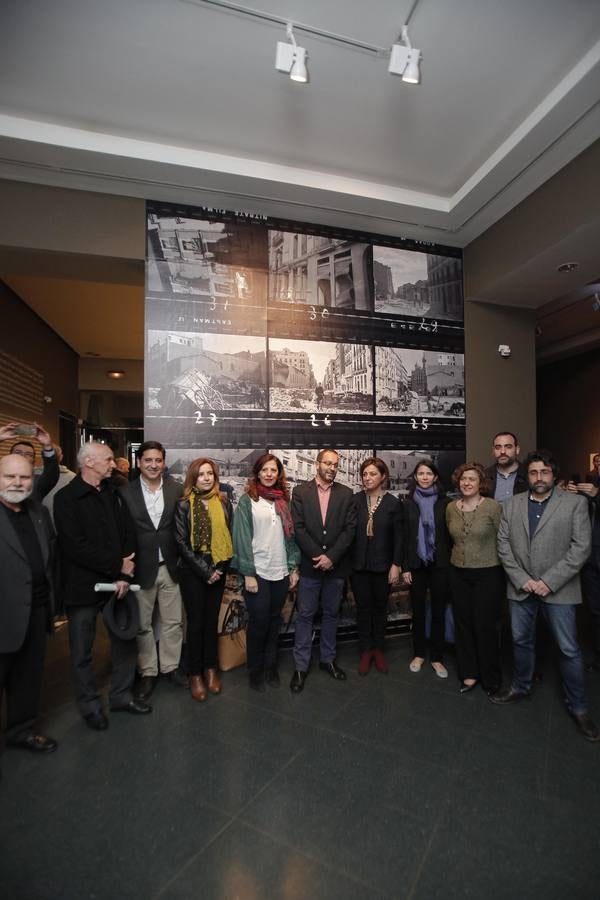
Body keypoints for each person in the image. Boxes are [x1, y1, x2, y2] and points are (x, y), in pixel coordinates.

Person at [492, 452, 599, 741]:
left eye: (545, 472)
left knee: (568, 649)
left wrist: (548, 582)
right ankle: (520, 687)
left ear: (554, 474)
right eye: (534, 472)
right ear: (527, 476)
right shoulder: (512, 504)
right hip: (521, 588)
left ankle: (579, 708)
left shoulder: (575, 503)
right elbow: (503, 545)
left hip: (560, 589)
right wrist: (522, 580)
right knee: (520, 641)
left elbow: (581, 548)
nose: (539, 477)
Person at [54, 441, 151, 730]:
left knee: (124, 643)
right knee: (82, 651)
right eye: (108, 460)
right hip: (81, 588)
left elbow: (129, 533)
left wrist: (124, 575)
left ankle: (121, 696)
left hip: (117, 584)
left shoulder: (115, 493)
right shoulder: (65, 498)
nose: (113, 464)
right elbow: (74, 546)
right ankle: (90, 706)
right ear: (89, 462)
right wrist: (117, 565)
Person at [0, 454, 57, 765]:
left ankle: (21, 731)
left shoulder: (37, 511)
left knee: (28, 678)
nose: (17, 483)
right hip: (3, 613)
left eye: (23, 477)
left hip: (35, 610)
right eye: (10, 476)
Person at [119, 441, 186, 700]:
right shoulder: (125, 492)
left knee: (173, 622)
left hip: (171, 566)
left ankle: (170, 666)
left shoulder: (176, 489)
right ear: (139, 463)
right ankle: (148, 671)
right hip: (140, 568)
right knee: (142, 625)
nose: (153, 465)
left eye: (158, 460)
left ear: (164, 463)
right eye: (148, 460)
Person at [289, 448, 357, 693]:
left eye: (335, 464)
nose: (332, 468)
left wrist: (331, 557)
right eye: (327, 463)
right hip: (311, 567)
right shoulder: (300, 492)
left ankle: (328, 660)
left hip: (336, 569)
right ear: (317, 464)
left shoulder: (346, 494)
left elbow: (350, 530)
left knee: (331, 615)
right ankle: (300, 667)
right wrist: (318, 556)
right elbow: (298, 528)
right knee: (305, 615)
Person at [231, 454, 300, 691]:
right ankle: (255, 670)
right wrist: (248, 574)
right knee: (258, 622)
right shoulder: (247, 501)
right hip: (257, 572)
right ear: (257, 472)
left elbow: (290, 538)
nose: (269, 474)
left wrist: (293, 567)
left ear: (278, 474)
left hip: (280, 571)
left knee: (273, 621)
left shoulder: (283, 501)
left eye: (274, 470)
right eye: (265, 470)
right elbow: (241, 539)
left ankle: (271, 668)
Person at [174, 457, 233, 702]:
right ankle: (195, 674)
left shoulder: (224, 502)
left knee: (211, 622)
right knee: (196, 623)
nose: (206, 478)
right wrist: (206, 572)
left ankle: (211, 669)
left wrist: (218, 568)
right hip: (193, 571)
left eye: (210, 474)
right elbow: (181, 543)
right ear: (193, 478)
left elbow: (229, 537)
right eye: (201, 474)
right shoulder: (184, 505)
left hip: (218, 567)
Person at [446, 462, 504, 695]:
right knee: (463, 624)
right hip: (458, 573)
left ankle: (491, 678)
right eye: (463, 479)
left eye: (472, 479)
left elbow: (503, 539)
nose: (467, 483)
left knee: (485, 626)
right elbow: (451, 539)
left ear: (481, 483)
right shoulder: (451, 508)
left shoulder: (493, 507)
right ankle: (469, 674)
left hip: (488, 573)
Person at [350, 457, 402, 675]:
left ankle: (378, 650)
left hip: (383, 566)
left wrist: (396, 564)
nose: (368, 478)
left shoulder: (393, 503)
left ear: (383, 477)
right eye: (365, 474)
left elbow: (399, 537)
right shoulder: (355, 500)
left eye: (373, 474)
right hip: (358, 566)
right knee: (363, 610)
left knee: (380, 609)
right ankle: (365, 651)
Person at [401, 459, 451, 679]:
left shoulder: (446, 503)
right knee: (418, 611)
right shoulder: (407, 503)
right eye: (420, 473)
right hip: (416, 564)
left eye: (428, 473)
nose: (424, 477)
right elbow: (404, 537)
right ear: (415, 477)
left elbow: (450, 535)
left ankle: (437, 657)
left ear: (435, 477)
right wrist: (405, 566)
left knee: (439, 611)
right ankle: (419, 654)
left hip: (440, 563)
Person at [0, 421, 59, 501]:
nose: (23, 456)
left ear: (33, 461)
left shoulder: (38, 483)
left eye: (28, 454)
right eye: (18, 452)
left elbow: (51, 473)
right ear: (10, 455)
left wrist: (47, 446)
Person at [485, 431, 528, 502]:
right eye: (498, 447)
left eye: (508, 447)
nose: (502, 452)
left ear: (517, 450)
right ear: (493, 451)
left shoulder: (528, 474)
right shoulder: (485, 476)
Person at [42, 444, 76, 524]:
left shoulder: (33, 475)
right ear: (61, 457)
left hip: (39, 524)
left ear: (43, 456)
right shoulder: (73, 477)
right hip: (64, 523)